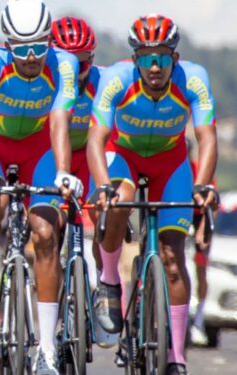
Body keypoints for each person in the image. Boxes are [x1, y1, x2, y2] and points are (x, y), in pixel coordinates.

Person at [87, 14, 217, 375]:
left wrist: (202, 187)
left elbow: (206, 137)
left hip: (171, 165)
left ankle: (176, 356)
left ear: (175, 57)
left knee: (174, 258)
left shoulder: (193, 79)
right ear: (135, 59)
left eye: (162, 56)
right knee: (116, 202)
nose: (155, 65)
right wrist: (102, 186)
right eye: (146, 57)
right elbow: (96, 139)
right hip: (124, 158)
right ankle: (110, 281)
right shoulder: (116, 79)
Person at [0, 1, 81, 373]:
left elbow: (60, 119)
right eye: (21, 47)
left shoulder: (63, 65)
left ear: (49, 41)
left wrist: (61, 172)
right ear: (7, 44)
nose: (30, 56)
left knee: (45, 234)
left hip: (39, 150)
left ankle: (46, 348)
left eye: (38, 46)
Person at [49, 15, 118, 348]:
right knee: (47, 232)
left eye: (83, 62)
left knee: (105, 217)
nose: (75, 70)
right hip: (53, 161)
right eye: (67, 62)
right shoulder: (44, 81)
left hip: (92, 160)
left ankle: (104, 292)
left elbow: (114, 137)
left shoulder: (104, 82)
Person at [187, 139, 216, 346]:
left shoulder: (199, 170)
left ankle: (198, 320)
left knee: (200, 267)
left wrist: (203, 228)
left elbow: (210, 204)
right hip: (177, 213)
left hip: (198, 218)